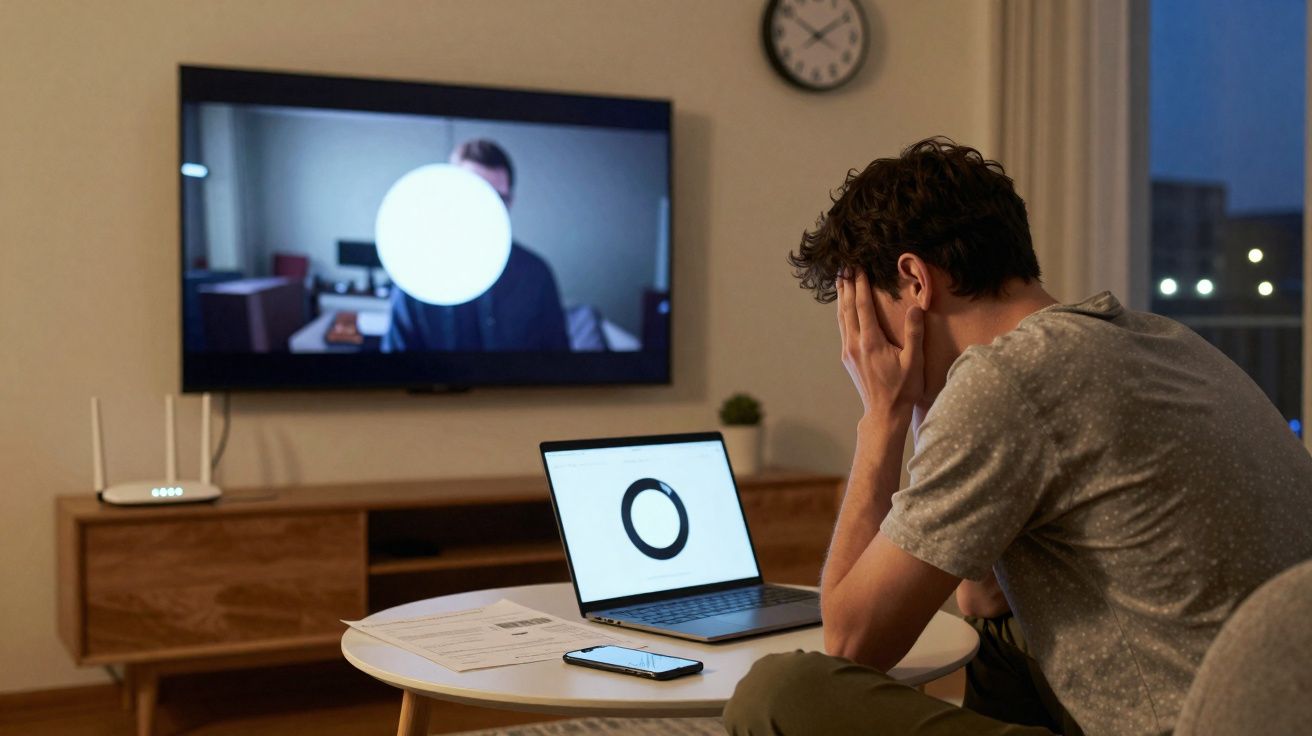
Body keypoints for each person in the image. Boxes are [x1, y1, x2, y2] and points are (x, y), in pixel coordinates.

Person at [723, 138, 1312, 735]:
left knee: (780, 691)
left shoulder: (1007, 379)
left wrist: (882, 416)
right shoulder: (1157, 338)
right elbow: (983, 602)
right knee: (999, 635)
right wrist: (933, 401)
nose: (858, 344)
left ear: (914, 281)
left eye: (862, 313)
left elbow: (852, 642)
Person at [384, 139, 569, 352]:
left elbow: (556, 362)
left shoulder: (536, 275)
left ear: (511, 201)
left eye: (497, 197)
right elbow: (396, 363)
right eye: (476, 193)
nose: (487, 209)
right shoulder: (416, 277)